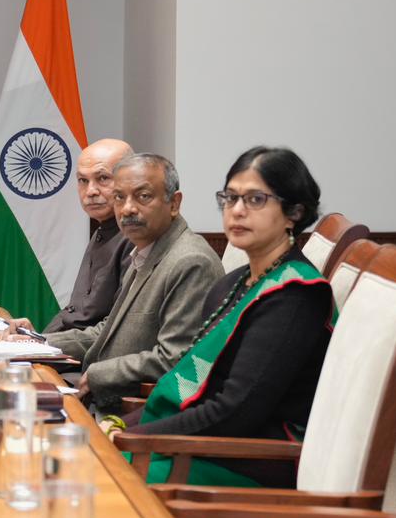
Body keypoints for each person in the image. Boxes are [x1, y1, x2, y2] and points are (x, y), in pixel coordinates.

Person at [104, 147, 333, 488]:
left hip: (252, 458)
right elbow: (193, 385)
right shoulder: (236, 282)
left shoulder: (295, 296)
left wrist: (131, 438)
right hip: (205, 442)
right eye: (230, 198)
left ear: (293, 212)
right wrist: (119, 427)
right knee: (82, 458)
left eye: (255, 199)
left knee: (92, 476)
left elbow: (234, 412)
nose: (237, 211)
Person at [31, 153, 223, 410]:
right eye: (120, 197)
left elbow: (175, 358)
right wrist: (36, 344)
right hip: (102, 395)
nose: (128, 208)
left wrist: (99, 375)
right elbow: (107, 331)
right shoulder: (146, 249)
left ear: (174, 203)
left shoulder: (190, 261)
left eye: (143, 196)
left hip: (134, 410)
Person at [43, 138, 134, 332]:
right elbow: (75, 311)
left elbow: (115, 328)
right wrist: (33, 338)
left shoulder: (135, 237)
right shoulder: (102, 230)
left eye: (102, 178)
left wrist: (45, 344)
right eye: (83, 181)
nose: (90, 191)